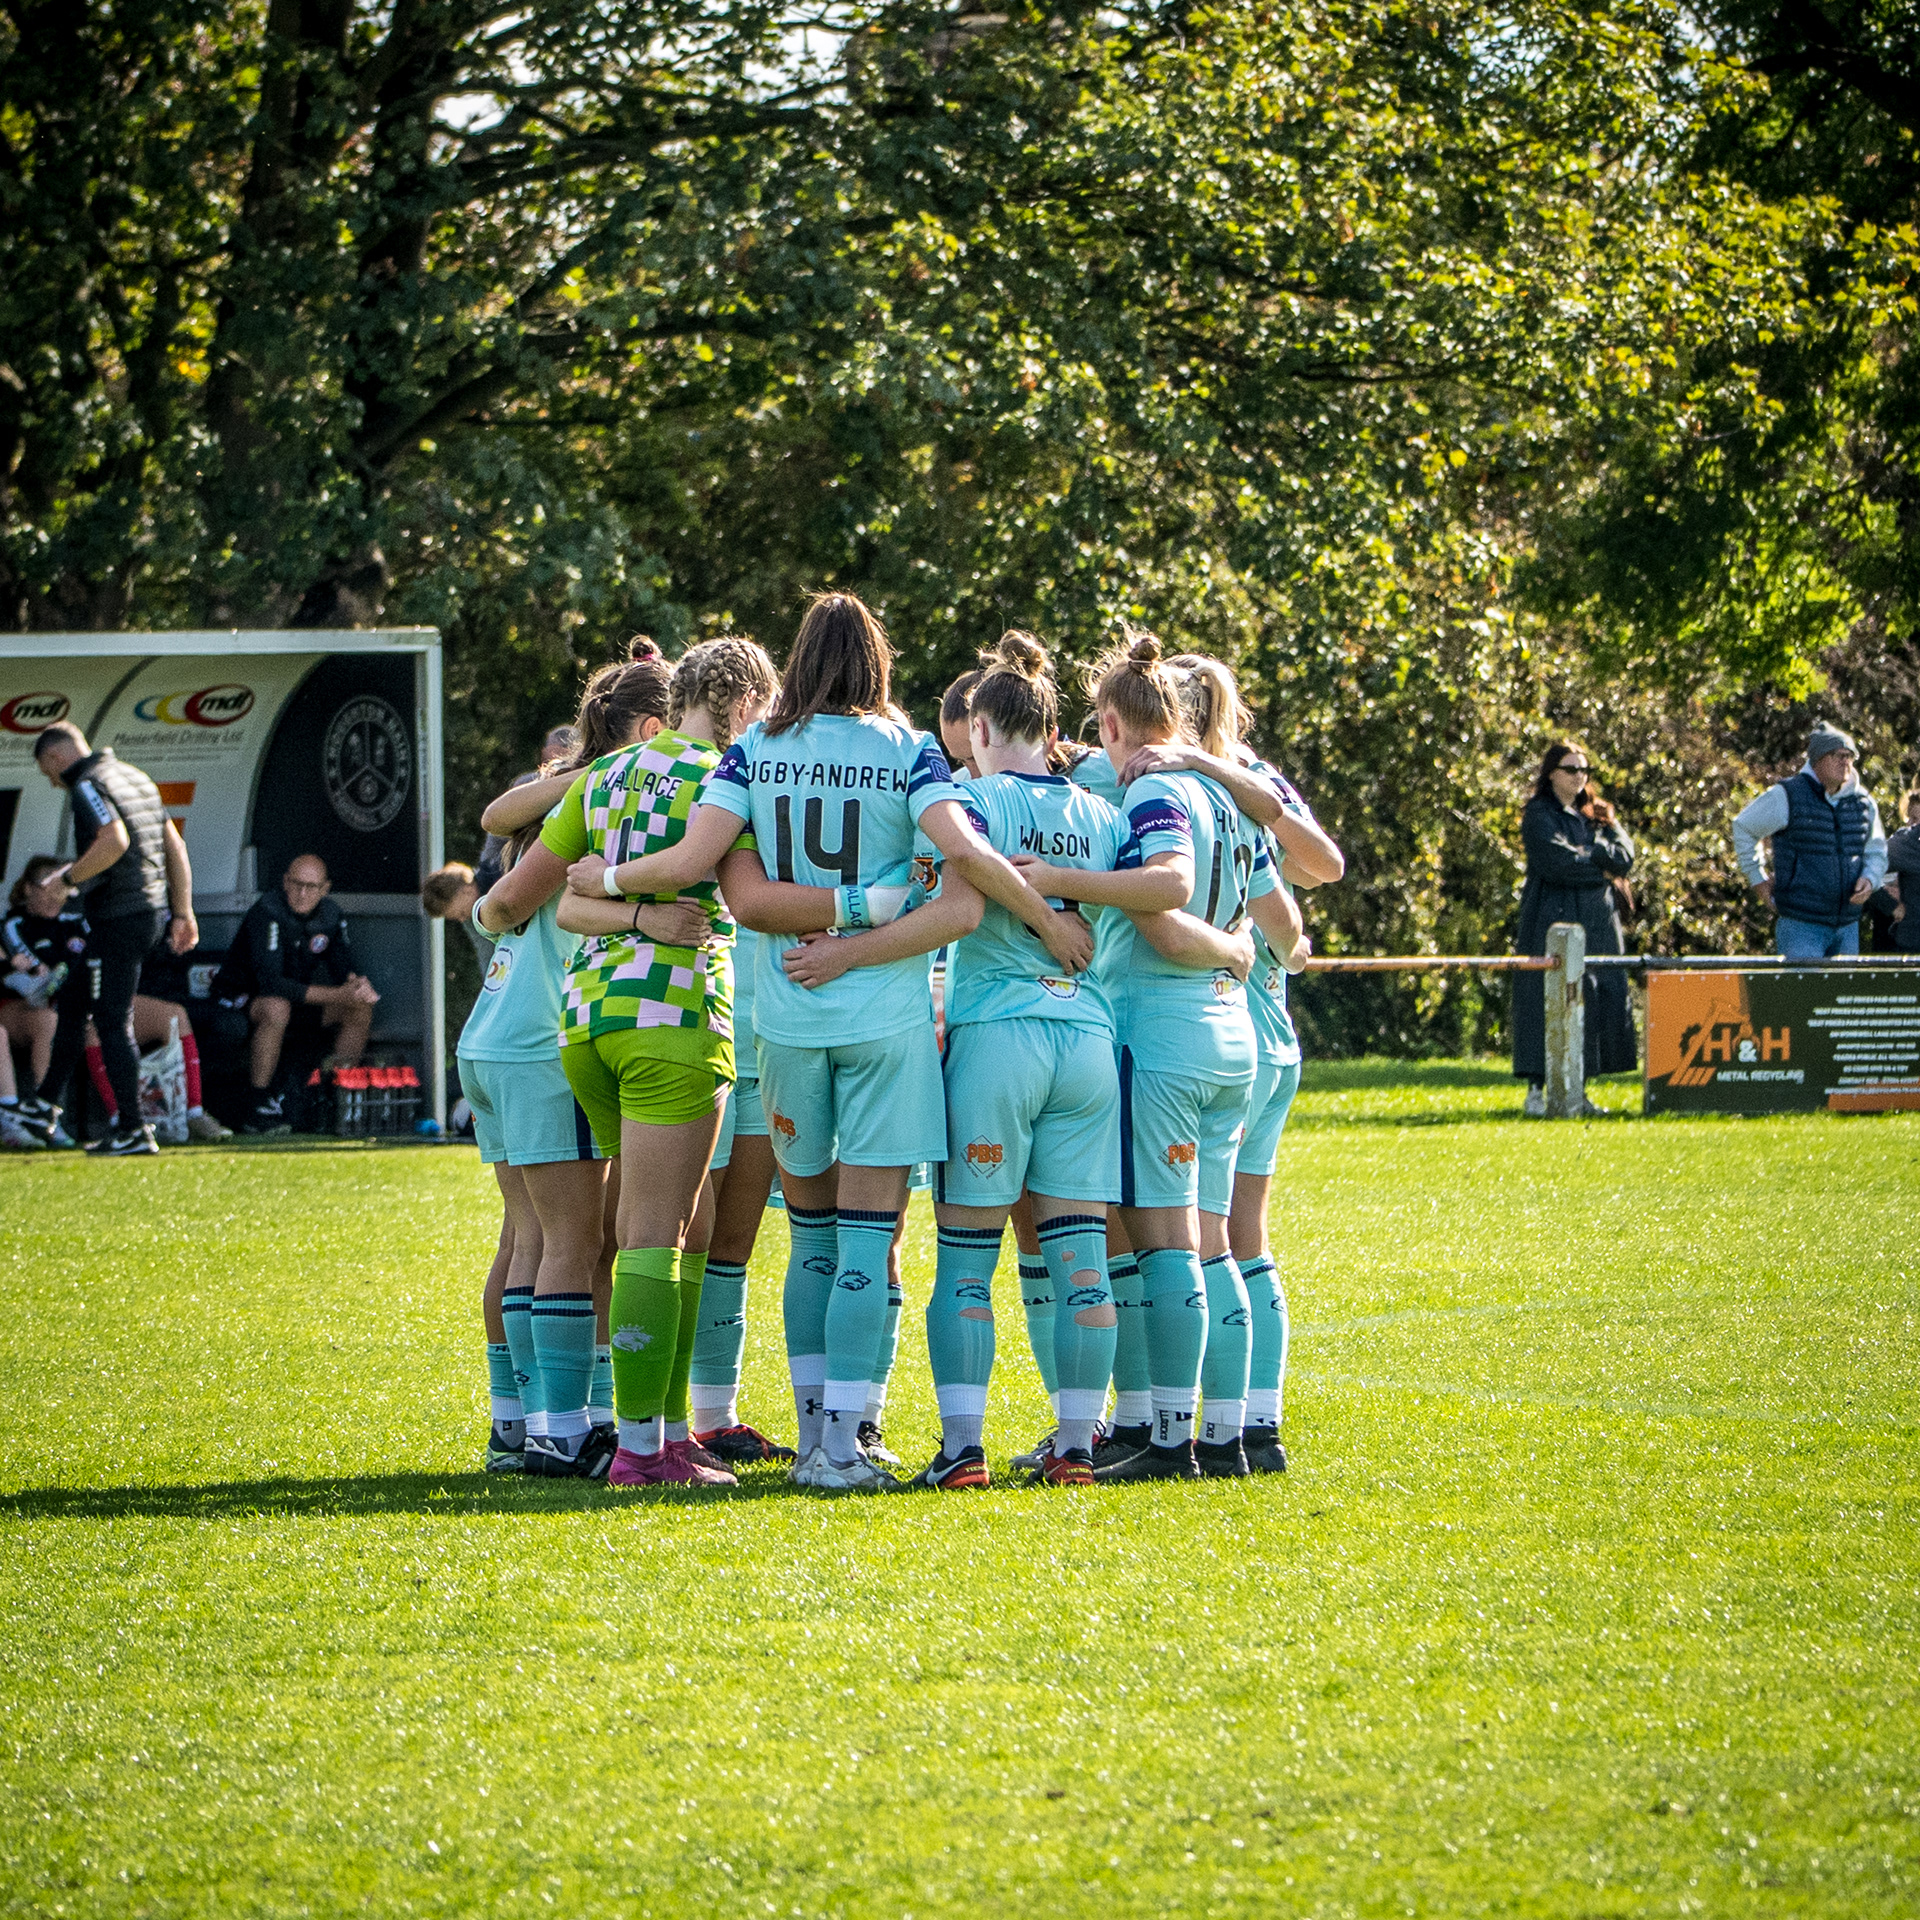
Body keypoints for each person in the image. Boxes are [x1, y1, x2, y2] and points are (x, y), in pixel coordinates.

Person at [579, 592, 1090, 1493]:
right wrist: (1044, 921)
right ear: (879, 663)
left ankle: (818, 1431)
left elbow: (730, 889)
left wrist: (611, 877)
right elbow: (962, 861)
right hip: (884, 1025)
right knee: (866, 1237)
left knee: (811, 1235)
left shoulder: (754, 750)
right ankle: (841, 1447)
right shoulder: (908, 749)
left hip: (784, 1023)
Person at [902, 633, 1187, 1488]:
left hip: (998, 1038)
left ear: (982, 726)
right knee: (1080, 1259)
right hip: (1088, 1046)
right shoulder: (1103, 811)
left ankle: (963, 1452)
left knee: (965, 1256)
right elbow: (1150, 894)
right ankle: (1073, 1450)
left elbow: (956, 871)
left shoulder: (974, 797)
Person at [462, 659, 713, 1478]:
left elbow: (498, 859)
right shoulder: (623, 797)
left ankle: (517, 1422)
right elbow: (510, 901)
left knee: (527, 1239)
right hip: (545, 1037)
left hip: (491, 1033)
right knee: (577, 1242)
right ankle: (563, 1428)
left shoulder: (572, 792)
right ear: (651, 730)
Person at [545, 637, 785, 1490]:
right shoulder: (731, 777)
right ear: (748, 705)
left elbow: (566, 902)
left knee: (662, 1229)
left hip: (587, 1022)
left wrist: (629, 913)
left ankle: (666, 1430)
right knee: (657, 1232)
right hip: (674, 1021)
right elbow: (746, 896)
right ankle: (644, 1451)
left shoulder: (605, 774)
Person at [1058, 634, 1292, 1482]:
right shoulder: (1223, 791)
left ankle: (1168, 1441)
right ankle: (1228, 1438)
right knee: (1216, 1243)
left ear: (1114, 719)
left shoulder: (1155, 789)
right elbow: (1279, 875)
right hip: (1233, 1038)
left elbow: (1164, 902)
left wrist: (1061, 878)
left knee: (1167, 1246)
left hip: (1164, 1032)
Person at [31, 720, 197, 1156]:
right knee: (73, 1001)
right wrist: (182, 912)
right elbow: (175, 848)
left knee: (111, 1021)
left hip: (119, 918)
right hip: (147, 914)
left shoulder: (88, 783)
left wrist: (67, 879)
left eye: (47, 773)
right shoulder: (134, 776)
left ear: (55, 758)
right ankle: (44, 1104)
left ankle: (132, 1129)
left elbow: (114, 841)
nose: (51, 782)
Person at [212, 854, 379, 1134]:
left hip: (294, 1002)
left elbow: (344, 968)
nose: (303, 893)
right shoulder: (267, 911)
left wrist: (357, 986)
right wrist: (340, 994)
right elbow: (272, 983)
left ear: (324, 889)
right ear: (286, 882)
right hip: (241, 1000)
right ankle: (258, 1105)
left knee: (359, 1007)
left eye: (311, 887)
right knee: (277, 1007)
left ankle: (336, 1095)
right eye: (297, 884)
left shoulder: (330, 915)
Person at [1512, 742, 1636, 1115]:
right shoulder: (1539, 814)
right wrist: (1599, 864)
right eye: (1570, 769)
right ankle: (1536, 1090)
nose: (1579, 776)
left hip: (1597, 921)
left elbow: (1625, 858)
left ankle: (1578, 1090)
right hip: (1550, 917)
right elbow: (1556, 862)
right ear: (1551, 773)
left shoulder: (1594, 815)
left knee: (1595, 999)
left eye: (1584, 770)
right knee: (1543, 999)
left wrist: (1600, 844)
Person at [1733, 722, 1887, 960]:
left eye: (1850, 757)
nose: (1845, 762)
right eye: (1839, 755)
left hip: (1848, 926)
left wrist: (1870, 879)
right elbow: (1743, 826)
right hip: (1801, 926)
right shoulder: (1788, 795)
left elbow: (1876, 852)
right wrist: (1758, 881)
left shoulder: (1864, 802)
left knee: (1842, 998)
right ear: (1818, 759)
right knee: (1805, 997)